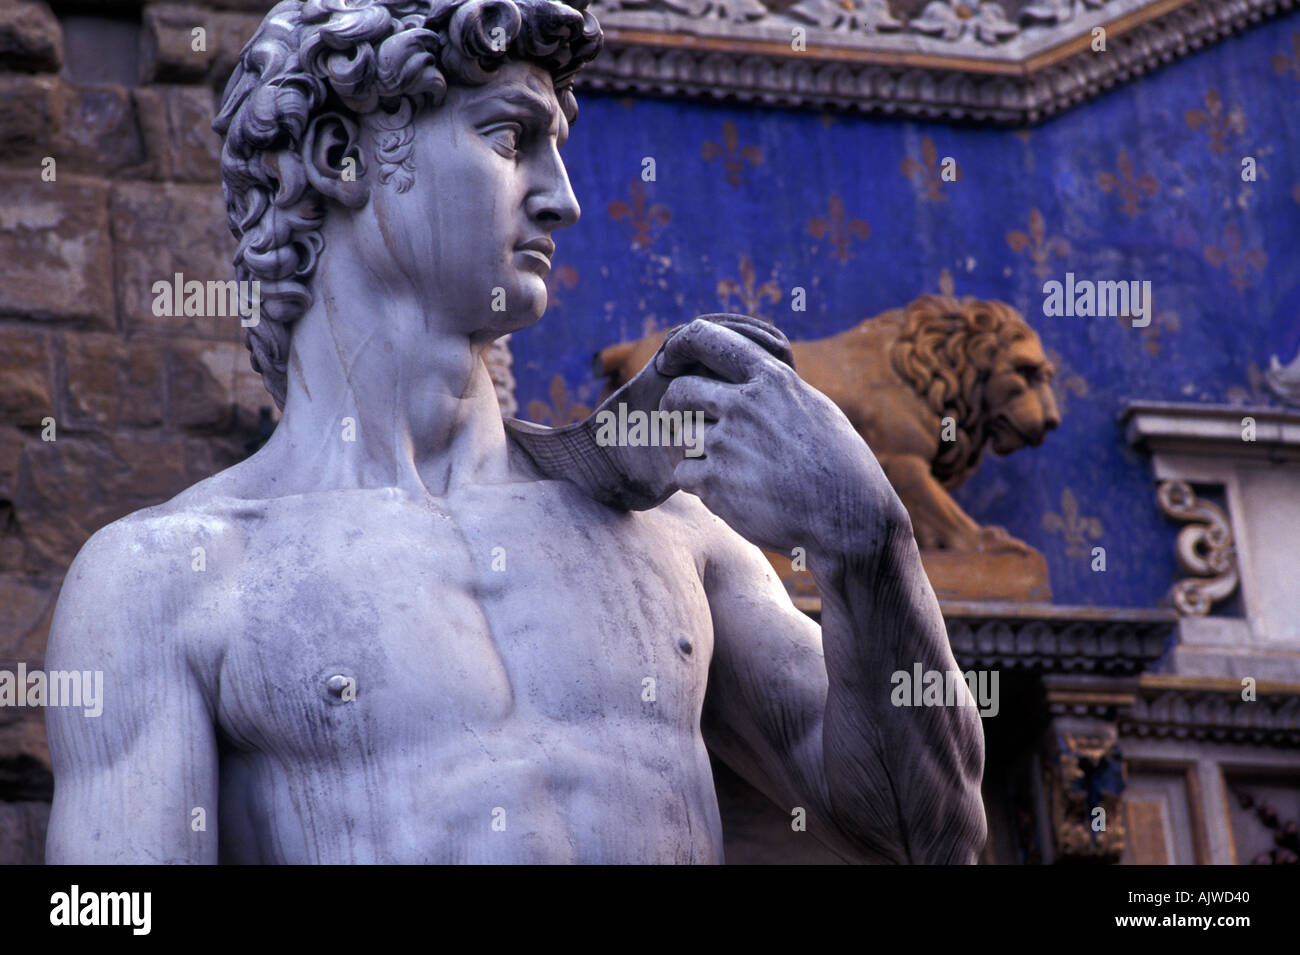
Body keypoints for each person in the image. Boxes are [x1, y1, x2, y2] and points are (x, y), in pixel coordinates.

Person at [45, 0, 985, 863]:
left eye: (556, 145)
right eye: (510, 137)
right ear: (342, 155)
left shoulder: (673, 537)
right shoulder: (166, 581)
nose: (563, 197)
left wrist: (867, 541)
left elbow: (928, 834)